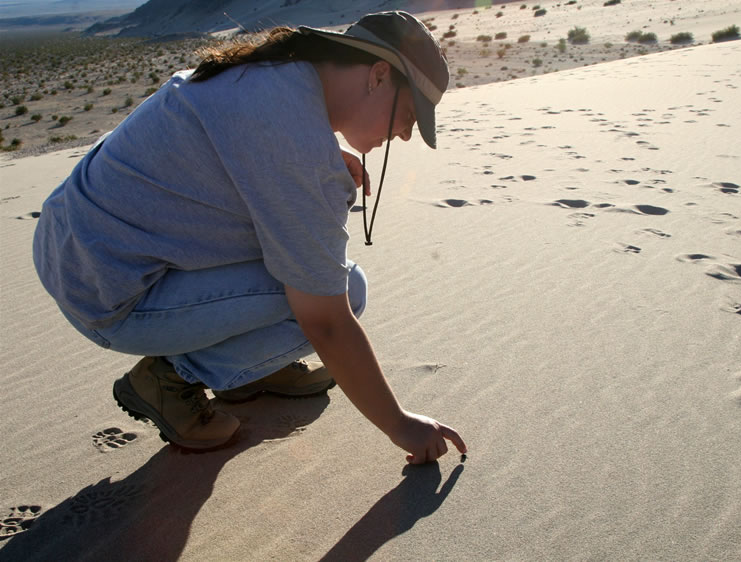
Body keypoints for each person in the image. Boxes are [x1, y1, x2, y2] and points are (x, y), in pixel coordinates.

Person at [32, 11, 467, 464]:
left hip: (69, 249)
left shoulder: (276, 76)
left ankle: (253, 368)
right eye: (410, 115)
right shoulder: (295, 145)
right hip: (109, 296)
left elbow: (239, 149)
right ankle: (169, 379)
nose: (405, 134)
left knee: (303, 266)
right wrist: (399, 424)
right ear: (378, 75)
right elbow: (328, 322)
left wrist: (312, 160)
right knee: (344, 291)